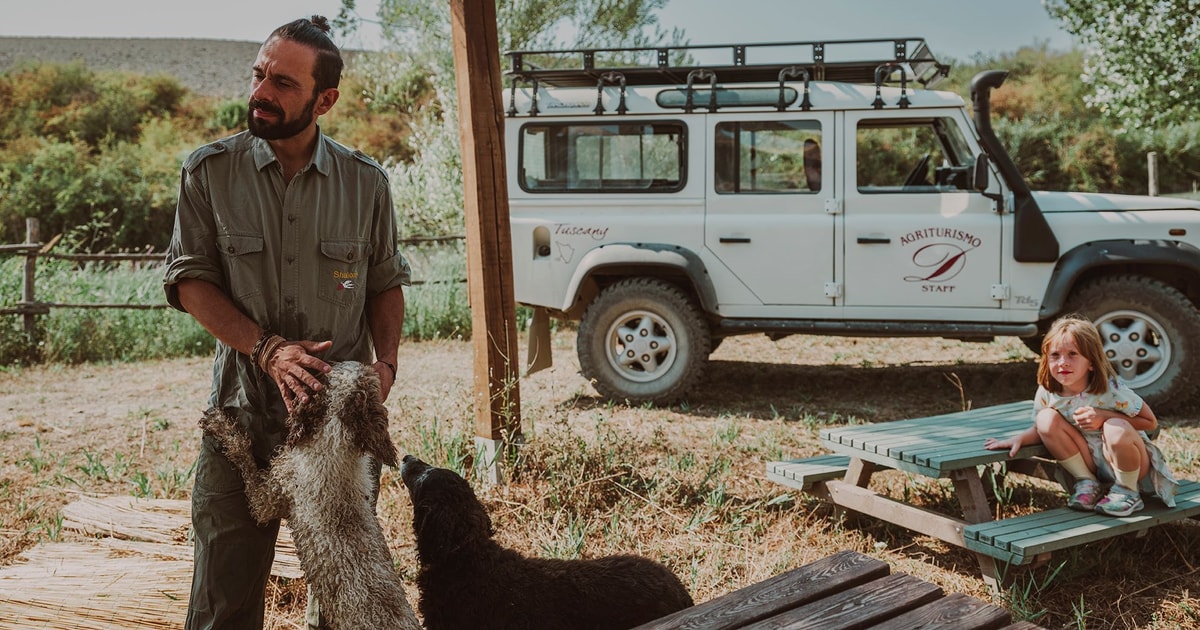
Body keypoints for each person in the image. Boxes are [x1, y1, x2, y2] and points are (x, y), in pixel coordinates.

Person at [162, 16, 410, 630]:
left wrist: (385, 367)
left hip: (337, 430)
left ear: (324, 100)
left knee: (346, 607)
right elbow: (190, 282)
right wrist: (268, 349)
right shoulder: (209, 172)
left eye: (283, 83)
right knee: (223, 601)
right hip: (239, 419)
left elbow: (385, 283)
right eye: (258, 74)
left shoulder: (366, 184)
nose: (261, 92)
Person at [984, 315, 1178, 516]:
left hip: (1128, 462)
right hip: (1088, 460)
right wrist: (1018, 439)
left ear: (1091, 362)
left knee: (1114, 427)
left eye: (1072, 354)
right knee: (1045, 418)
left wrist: (1103, 416)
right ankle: (1087, 482)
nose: (1063, 362)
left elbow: (1150, 422)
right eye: (1055, 355)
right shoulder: (1048, 391)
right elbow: (1040, 429)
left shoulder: (1111, 389)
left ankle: (1127, 491)